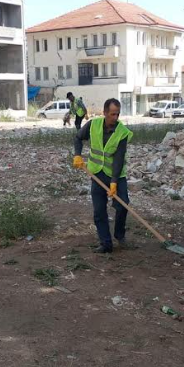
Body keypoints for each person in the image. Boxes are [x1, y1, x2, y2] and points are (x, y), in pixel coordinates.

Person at [72, 98, 133, 253]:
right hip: (97, 173)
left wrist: (114, 182)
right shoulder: (93, 125)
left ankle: (119, 235)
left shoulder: (123, 132)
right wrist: (77, 155)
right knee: (99, 210)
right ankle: (106, 243)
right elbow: (78, 138)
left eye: (117, 114)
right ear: (104, 113)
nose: (115, 117)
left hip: (116, 176)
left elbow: (119, 159)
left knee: (123, 205)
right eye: (112, 114)